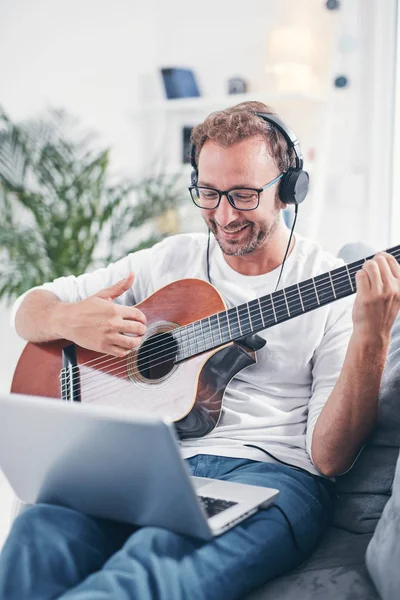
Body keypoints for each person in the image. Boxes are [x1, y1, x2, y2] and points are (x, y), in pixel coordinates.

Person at [1, 101, 400, 600]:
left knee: (141, 577)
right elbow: (28, 309)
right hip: (151, 467)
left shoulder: (329, 289)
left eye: (243, 194)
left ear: (289, 190)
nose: (224, 215)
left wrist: (373, 334)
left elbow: (329, 457)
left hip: (268, 474)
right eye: (208, 193)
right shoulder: (170, 258)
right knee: (36, 537)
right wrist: (66, 319)